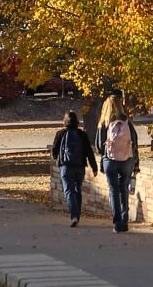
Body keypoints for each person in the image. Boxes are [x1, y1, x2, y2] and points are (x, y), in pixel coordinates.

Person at [96, 92, 139, 233]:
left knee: (113, 190)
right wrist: (136, 163)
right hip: (127, 160)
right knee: (124, 189)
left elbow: (98, 146)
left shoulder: (104, 124)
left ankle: (117, 222)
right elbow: (134, 143)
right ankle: (125, 220)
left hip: (110, 160)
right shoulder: (127, 122)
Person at [52, 109, 97, 227]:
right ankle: (77, 214)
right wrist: (94, 166)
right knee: (78, 190)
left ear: (65, 121)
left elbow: (54, 151)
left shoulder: (60, 133)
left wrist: (57, 157)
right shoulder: (82, 134)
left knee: (69, 191)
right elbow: (89, 151)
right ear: (77, 121)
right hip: (80, 166)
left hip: (66, 167)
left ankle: (74, 215)